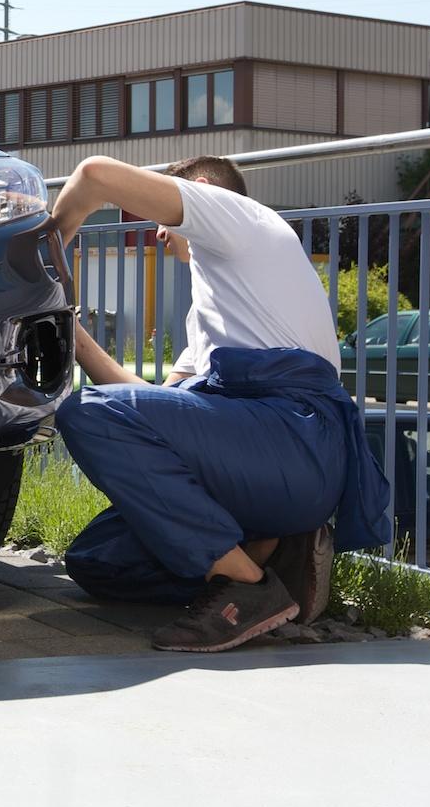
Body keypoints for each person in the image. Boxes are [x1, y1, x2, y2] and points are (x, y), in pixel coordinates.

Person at [49, 154, 391, 653]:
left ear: (205, 190)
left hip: (293, 441)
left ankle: (249, 586)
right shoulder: (218, 308)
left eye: (164, 220)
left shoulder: (243, 219)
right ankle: (271, 558)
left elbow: (94, 175)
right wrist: (67, 327)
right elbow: (149, 408)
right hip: (258, 459)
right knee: (97, 558)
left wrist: (45, 253)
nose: (160, 234)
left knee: (84, 410)